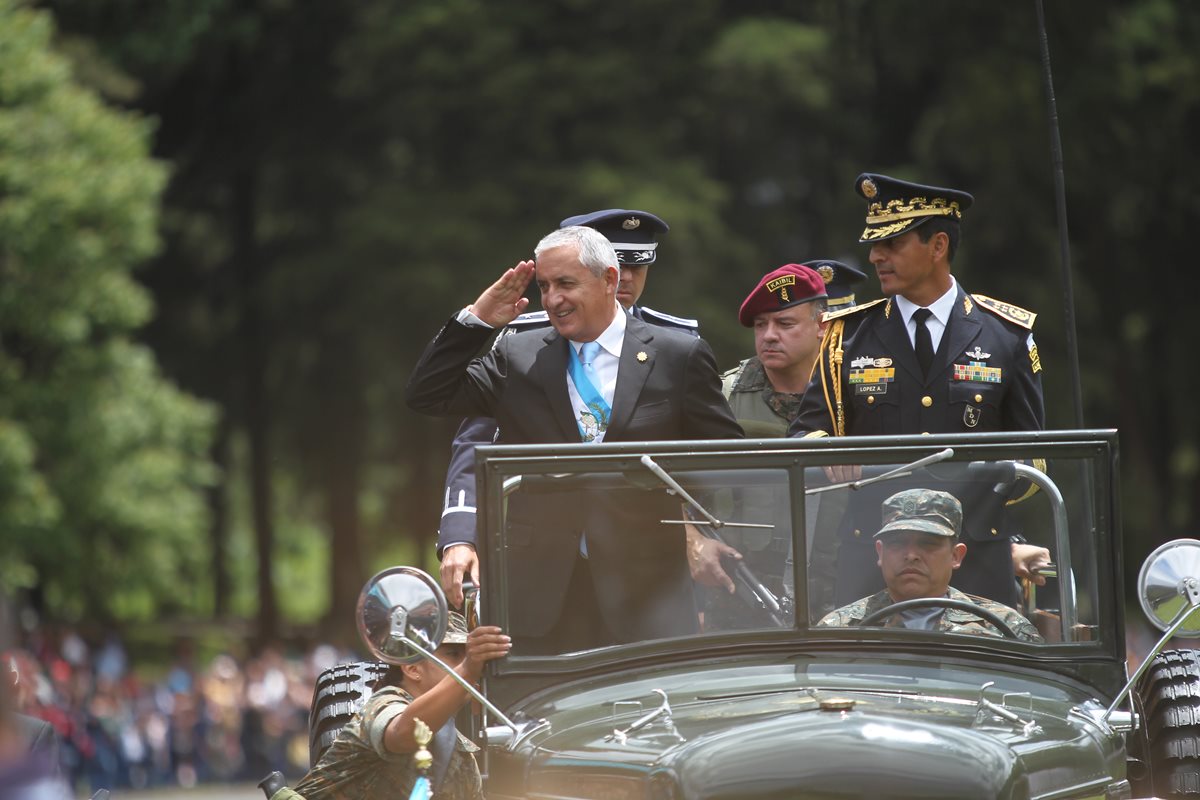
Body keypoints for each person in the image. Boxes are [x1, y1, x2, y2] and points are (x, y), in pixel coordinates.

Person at [406, 225, 743, 650]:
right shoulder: (518, 355)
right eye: (545, 286)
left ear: (608, 279)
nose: (552, 300)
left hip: (647, 597)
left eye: (566, 284)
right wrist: (477, 321)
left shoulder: (678, 356)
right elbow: (427, 395)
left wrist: (691, 528)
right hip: (539, 597)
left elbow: (727, 462)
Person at [789, 173, 1049, 607]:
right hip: (873, 561)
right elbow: (803, 435)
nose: (875, 257)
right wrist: (829, 450)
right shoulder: (846, 337)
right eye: (875, 245)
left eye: (892, 244)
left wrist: (976, 487)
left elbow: (1034, 459)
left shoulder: (1007, 334)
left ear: (938, 246)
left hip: (972, 559)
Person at [438, 209, 699, 609]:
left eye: (636, 266)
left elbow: (706, 459)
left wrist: (702, 534)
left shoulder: (676, 348)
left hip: (646, 579)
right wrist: (461, 531)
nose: (625, 276)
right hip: (545, 570)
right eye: (614, 261)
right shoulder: (524, 344)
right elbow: (476, 443)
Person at [289, 613, 510, 800]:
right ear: (413, 668)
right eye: (453, 654)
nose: (465, 662)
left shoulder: (462, 759)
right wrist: (468, 670)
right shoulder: (382, 705)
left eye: (467, 655)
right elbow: (404, 733)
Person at [817, 489, 1042, 643]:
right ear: (880, 553)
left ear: (956, 555)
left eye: (928, 544)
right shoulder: (840, 630)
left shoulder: (1005, 629)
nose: (912, 555)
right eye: (897, 543)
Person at [722, 263, 830, 437]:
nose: (769, 335)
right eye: (760, 325)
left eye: (785, 324)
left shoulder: (848, 389)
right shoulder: (726, 396)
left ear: (822, 325)